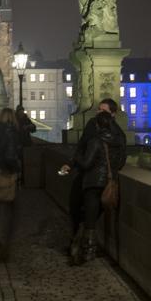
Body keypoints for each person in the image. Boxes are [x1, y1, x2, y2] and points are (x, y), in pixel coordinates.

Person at [60, 98, 126, 258]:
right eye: (98, 109)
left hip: (92, 178)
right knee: (80, 211)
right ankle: (79, 244)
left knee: (87, 214)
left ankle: (81, 248)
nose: (98, 113)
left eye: (102, 110)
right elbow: (83, 145)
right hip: (102, 179)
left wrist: (76, 161)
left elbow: (83, 153)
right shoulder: (114, 132)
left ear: (113, 114)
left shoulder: (105, 134)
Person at [0, 107, 21, 262]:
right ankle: (5, 247)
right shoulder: (11, 132)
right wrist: (17, 169)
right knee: (9, 213)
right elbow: (10, 156)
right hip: (6, 173)